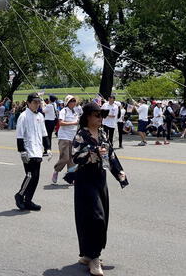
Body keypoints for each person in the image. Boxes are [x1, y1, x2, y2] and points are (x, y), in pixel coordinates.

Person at [71, 102, 128, 276]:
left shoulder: (102, 132)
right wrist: (92, 152)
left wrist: (119, 173)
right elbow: (75, 157)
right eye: (97, 115)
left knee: (102, 216)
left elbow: (110, 154)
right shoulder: (81, 135)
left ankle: (89, 254)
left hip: (99, 178)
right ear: (88, 116)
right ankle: (94, 259)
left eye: (102, 115)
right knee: (96, 217)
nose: (100, 118)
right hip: (85, 179)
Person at [14, 93, 50, 211]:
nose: (37, 104)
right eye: (34, 102)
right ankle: (20, 195)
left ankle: (28, 200)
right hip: (28, 150)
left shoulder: (40, 116)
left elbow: (44, 133)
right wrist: (22, 150)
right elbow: (19, 135)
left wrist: (48, 148)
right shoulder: (23, 116)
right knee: (30, 175)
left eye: (38, 102)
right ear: (28, 103)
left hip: (38, 150)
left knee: (36, 177)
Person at [52, 95, 78, 184]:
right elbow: (61, 123)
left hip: (73, 137)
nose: (74, 102)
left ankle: (70, 177)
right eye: (72, 101)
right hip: (64, 137)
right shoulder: (64, 111)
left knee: (72, 159)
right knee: (65, 157)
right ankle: (56, 170)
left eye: (74, 101)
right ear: (68, 103)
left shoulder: (75, 112)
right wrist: (74, 123)